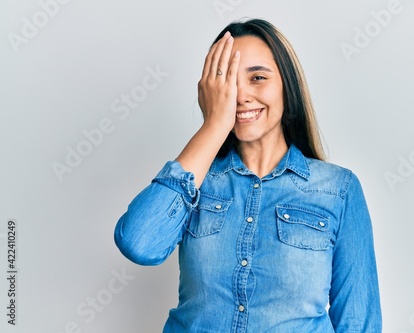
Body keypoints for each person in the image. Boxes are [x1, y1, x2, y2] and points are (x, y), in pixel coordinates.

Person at [114, 18, 382, 333]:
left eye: (257, 77)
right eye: (227, 82)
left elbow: (358, 322)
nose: (241, 96)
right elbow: (139, 243)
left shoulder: (338, 189)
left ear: (287, 85)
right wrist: (214, 125)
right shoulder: (196, 181)